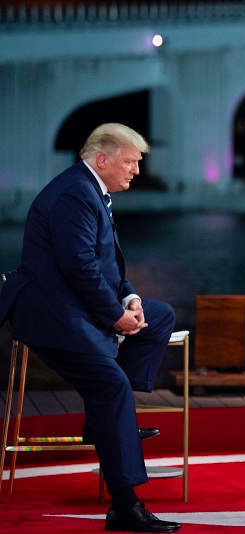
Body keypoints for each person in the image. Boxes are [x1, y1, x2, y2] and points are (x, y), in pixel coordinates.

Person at [0, 123, 181, 533]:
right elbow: (79, 268)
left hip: (76, 303)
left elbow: (104, 266)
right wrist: (115, 317)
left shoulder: (90, 190)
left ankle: (105, 420)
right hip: (52, 313)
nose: (136, 170)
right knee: (110, 386)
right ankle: (125, 507)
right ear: (102, 159)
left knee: (159, 316)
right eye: (130, 162)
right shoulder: (74, 194)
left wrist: (130, 299)